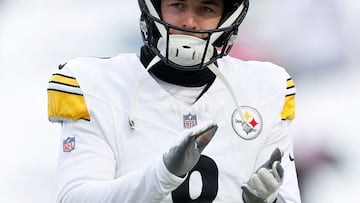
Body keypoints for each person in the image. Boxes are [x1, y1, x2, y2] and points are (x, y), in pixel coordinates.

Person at [47, 0, 301, 202]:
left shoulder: (266, 87)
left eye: (206, 8)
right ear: (155, 6)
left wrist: (266, 202)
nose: (189, 22)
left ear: (227, 16)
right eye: (178, 5)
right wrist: (163, 175)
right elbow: (75, 198)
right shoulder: (95, 84)